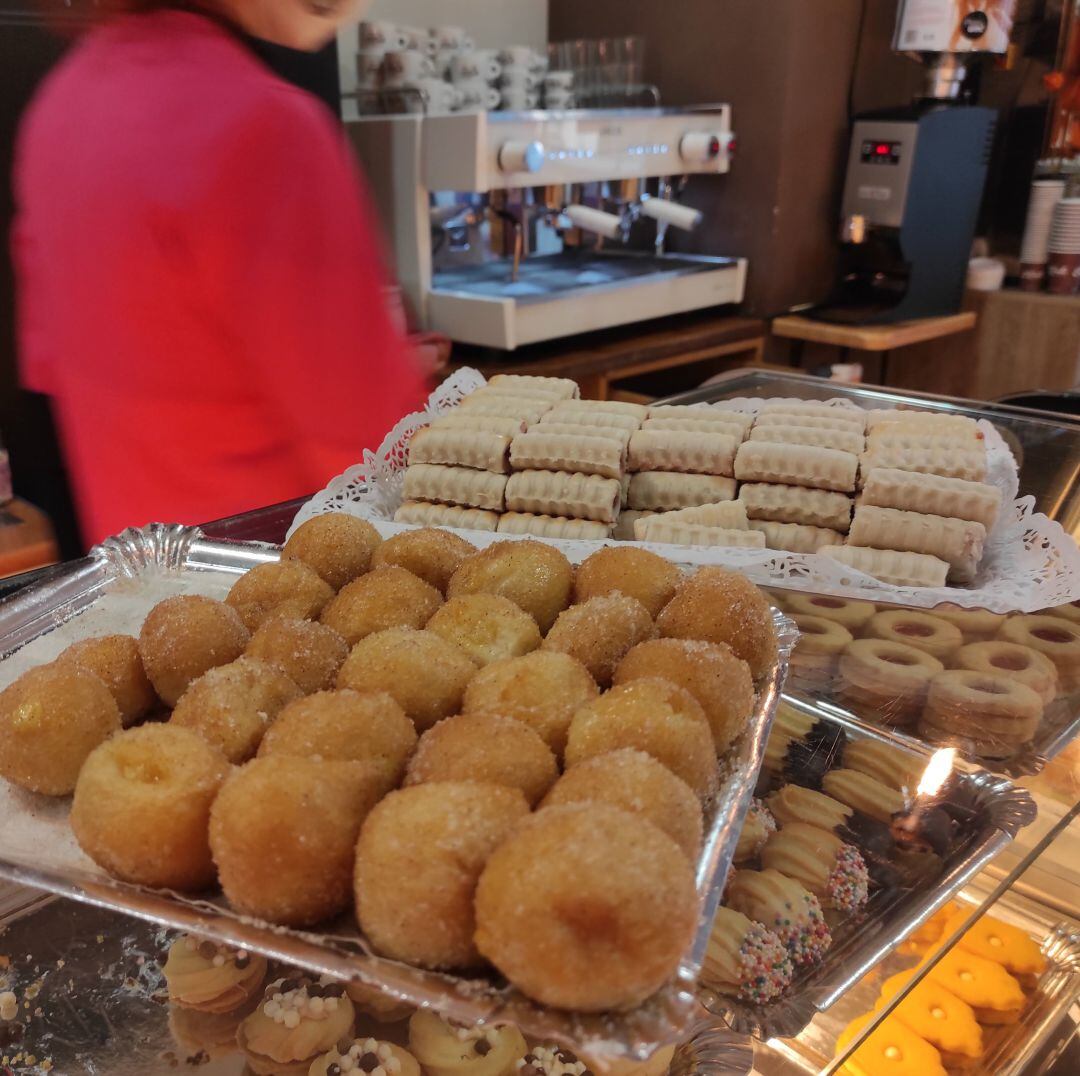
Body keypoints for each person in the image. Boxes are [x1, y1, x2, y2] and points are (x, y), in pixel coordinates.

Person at [12, 0, 426, 545]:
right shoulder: (266, 125)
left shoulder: (60, 104)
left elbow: (52, 367)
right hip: (276, 591)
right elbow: (377, 457)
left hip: (141, 587)